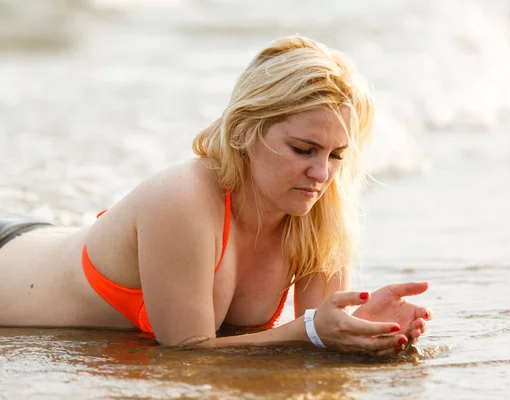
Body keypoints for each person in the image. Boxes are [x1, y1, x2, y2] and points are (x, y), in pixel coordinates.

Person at [0, 36, 431, 355]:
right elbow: (186, 352)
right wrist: (313, 330)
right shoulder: (182, 198)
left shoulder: (322, 212)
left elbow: (321, 332)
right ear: (244, 131)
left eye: (336, 154)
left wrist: (362, 328)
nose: (321, 173)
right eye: (303, 149)